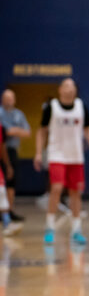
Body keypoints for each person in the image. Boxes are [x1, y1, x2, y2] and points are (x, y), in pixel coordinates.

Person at [34, 77, 89, 244]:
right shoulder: (52, 107)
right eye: (66, 86)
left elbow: (88, 132)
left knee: (75, 192)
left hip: (76, 156)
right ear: (60, 90)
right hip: (56, 154)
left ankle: (76, 230)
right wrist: (37, 153)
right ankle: (50, 227)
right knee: (56, 188)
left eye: (72, 86)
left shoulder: (81, 106)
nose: (69, 89)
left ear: (75, 90)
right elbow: (41, 131)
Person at [0, 89, 31, 221]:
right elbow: (4, 133)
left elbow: (27, 132)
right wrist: (11, 131)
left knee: (11, 181)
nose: (9, 100)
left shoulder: (19, 114)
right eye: (7, 98)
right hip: (1, 148)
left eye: (11, 98)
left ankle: (9, 211)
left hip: (12, 150)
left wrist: (13, 131)